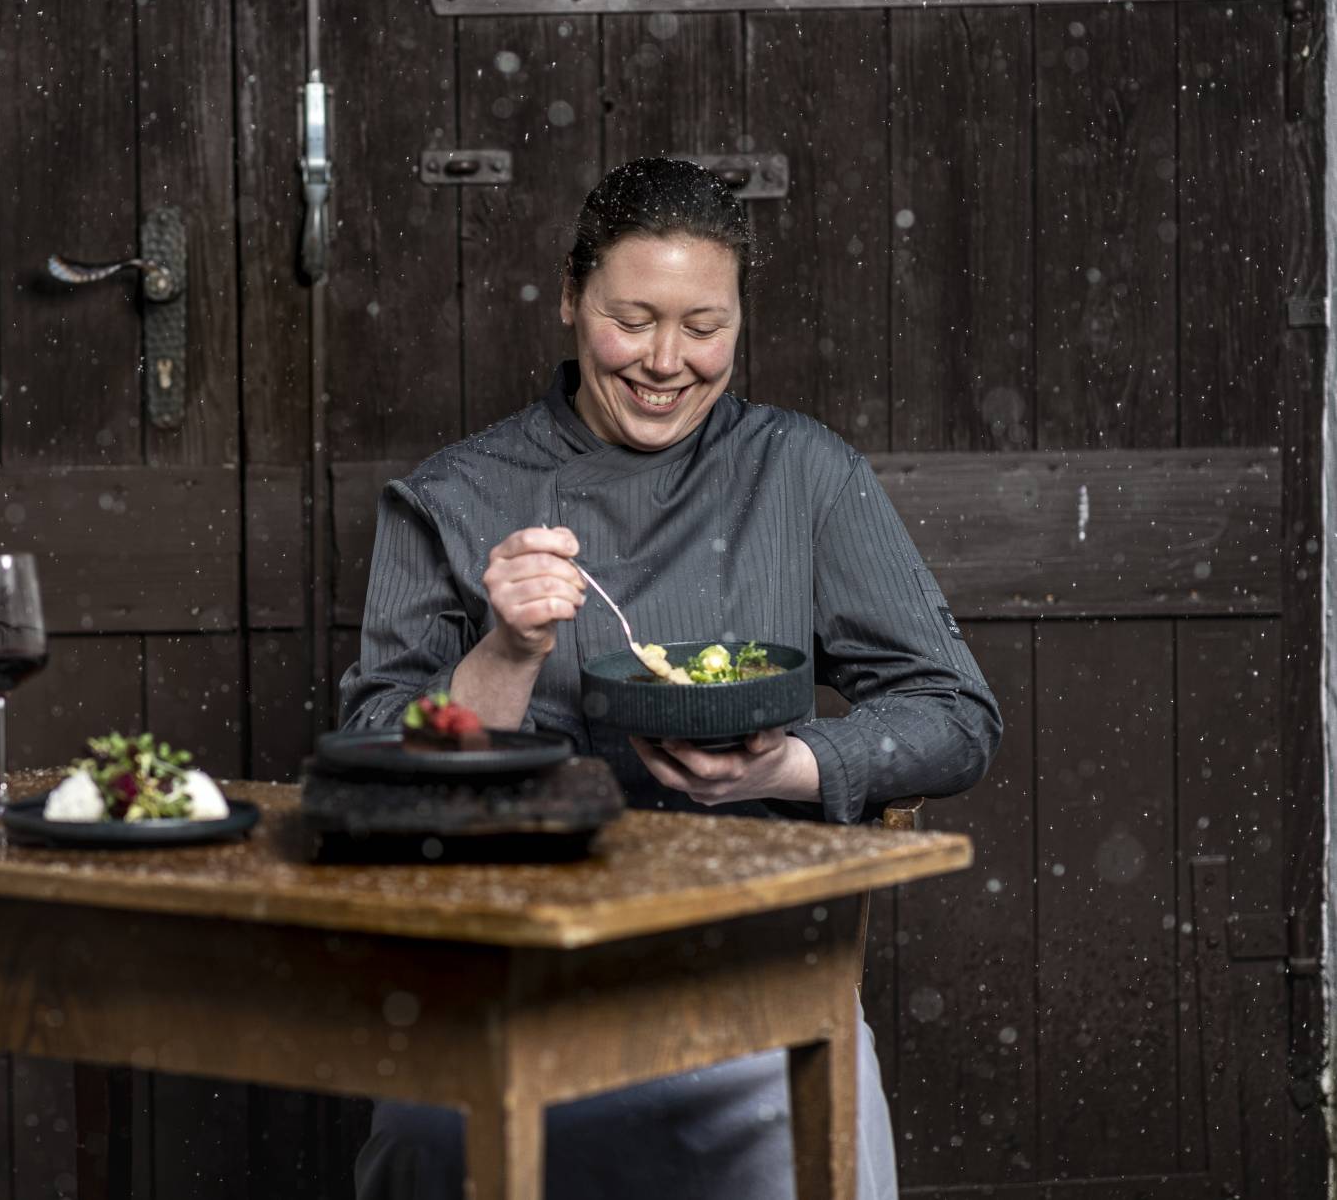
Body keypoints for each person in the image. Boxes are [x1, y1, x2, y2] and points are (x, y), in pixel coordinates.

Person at [339, 156, 1002, 1199]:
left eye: (703, 327)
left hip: (742, 973)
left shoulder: (803, 474)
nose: (665, 361)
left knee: (807, 1124)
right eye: (632, 318)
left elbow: (956, 715)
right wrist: (506, 649)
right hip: (505, 965)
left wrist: (781, 769)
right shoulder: (455, 495)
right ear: (569, 299)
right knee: (427, 1134)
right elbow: (378, 766)